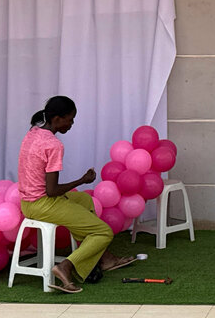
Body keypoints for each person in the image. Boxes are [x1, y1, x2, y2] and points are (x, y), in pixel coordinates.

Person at [17, 95, 135, 293]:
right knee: (103, 232)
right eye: (69, 119)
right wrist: (82, 180)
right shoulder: (53, 145)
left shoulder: (33, 132)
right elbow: (52, 191)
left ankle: (104, 258)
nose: (71, 124)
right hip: (43, 204)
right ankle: (66, 267)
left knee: (84, 199)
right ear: (56, 119)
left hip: (28, 202)